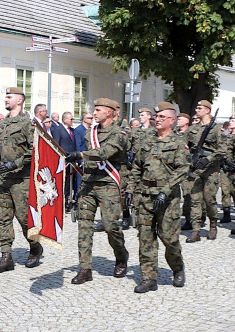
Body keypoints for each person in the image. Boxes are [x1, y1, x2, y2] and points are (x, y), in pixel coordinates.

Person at [66, 98, 130, 284]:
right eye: (94, 110)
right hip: (89, 183)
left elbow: (104, 153)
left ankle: (121, 256)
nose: (94, 113)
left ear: (109, 112)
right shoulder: (90, 132)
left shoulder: (120, 133)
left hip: (109, 184)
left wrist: (80, 155)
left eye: (98, 110)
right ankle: (85, 269)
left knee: (111, 227)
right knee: (84, 227)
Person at [130, 102, 188, 292]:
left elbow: (183, 169)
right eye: (157, 117)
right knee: (145, 238)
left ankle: (177, 268)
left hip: (167, 199)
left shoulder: (178, 142)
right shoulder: (147, 141)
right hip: (146, 197)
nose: (158, 119)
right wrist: (133, 190)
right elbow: (137, 166)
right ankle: (149, 278)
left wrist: (166, 189)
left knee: (169, 239)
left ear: (172, 120)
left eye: (162, 117)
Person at [0, 88, 44, 272]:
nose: (6, 99)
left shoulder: (28, 123)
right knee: (4, 217)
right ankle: (6, 257)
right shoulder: (2, 124)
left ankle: (35, 247)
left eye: (9, 97)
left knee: (23, 217)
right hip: (4, 178)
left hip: (21, 179)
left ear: (19, 100)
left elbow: (34, 150)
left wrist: (16, 163)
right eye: (6, 96)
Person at [185, 100, 222, 242]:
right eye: (196, 107)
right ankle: (196, 230)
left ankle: (213, 224)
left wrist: (208, 159)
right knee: (195, 199)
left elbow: (222, 149)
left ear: (207, 110)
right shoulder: (192, 129)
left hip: (210, 169)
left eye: (200, 108)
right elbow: (183, 146)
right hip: (195, 169)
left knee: (209, 199)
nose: (196, 109)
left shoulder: (216, 129)